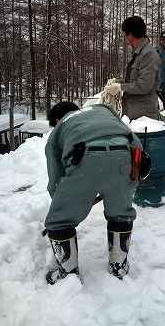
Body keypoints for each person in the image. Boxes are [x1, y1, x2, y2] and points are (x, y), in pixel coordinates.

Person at [44, 101, 142, 284]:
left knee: (58, 221)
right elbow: (134, 141)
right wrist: (130, 178)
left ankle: (68, 275)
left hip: (84, 159)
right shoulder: (102, 110)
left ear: (58, 119)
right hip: (124, 154)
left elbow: (55, 177)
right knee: (120, 214)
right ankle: (118, 267)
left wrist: (61, 202)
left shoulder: (61, 127)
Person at [104, 16, 161, 120]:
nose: (125, 38)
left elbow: (144, 86)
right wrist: (118, 82)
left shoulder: (149, 54)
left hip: (144, 117)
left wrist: (121, 88)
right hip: (131, 113)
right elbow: (134, 80)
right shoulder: (138, 53)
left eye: (125, 34)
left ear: (130, 35)